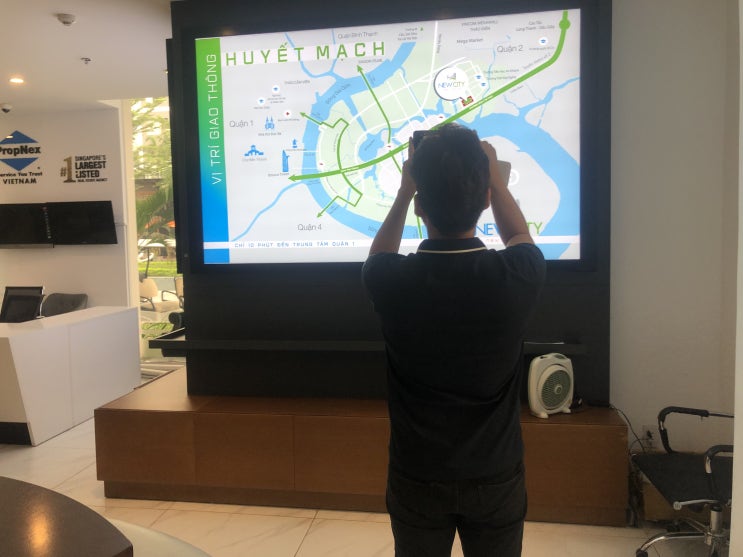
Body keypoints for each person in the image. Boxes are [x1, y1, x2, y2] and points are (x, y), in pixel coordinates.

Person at [362, 123, 545, 557]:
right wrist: (496, 181)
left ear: (419, 206)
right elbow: (519, 237)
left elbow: (379, 255)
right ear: (485, 199)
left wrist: (404, 191)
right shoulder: (518, 274)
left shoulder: (389, 279)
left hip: (417, 474)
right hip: (495, 475)